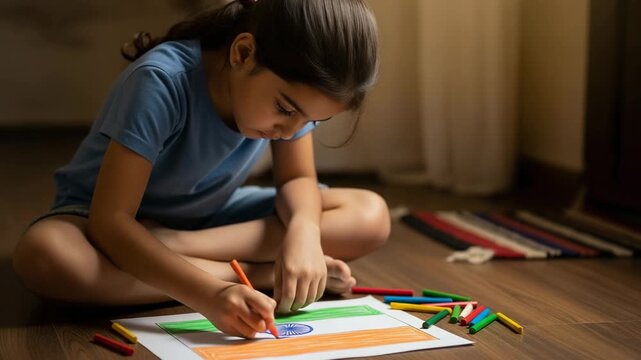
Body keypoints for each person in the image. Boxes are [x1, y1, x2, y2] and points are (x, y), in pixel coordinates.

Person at [13, 0, 389, 339]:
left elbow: (297, 179)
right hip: (99, 222)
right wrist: (213, 293)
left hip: (206, 219)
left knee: (370, 215)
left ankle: (172, 251)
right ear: (243, 53)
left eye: (311, 120)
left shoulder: (288, 103)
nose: (290, 131)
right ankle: (258, 273)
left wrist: (303, 233)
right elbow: (110, 221)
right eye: (286, 110)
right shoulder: (161, 81)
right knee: (46, 256)